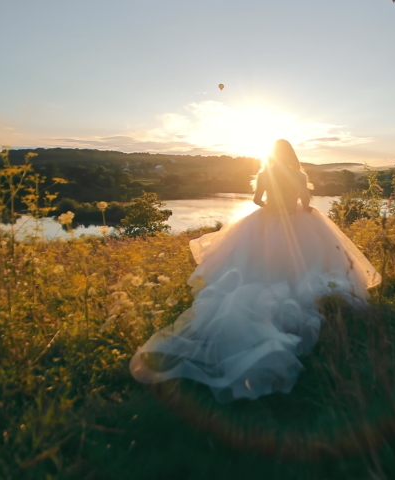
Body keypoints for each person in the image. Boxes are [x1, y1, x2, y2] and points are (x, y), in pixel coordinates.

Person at [130, 139, 381, 402]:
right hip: (297, 223)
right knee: (306, 262)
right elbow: (306, 203)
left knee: (260, 265)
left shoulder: (264, 173)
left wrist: (272, 209)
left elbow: (256, 200)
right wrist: (297, 209)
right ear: (292, 156)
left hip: (267, 221)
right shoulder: (297, 174)